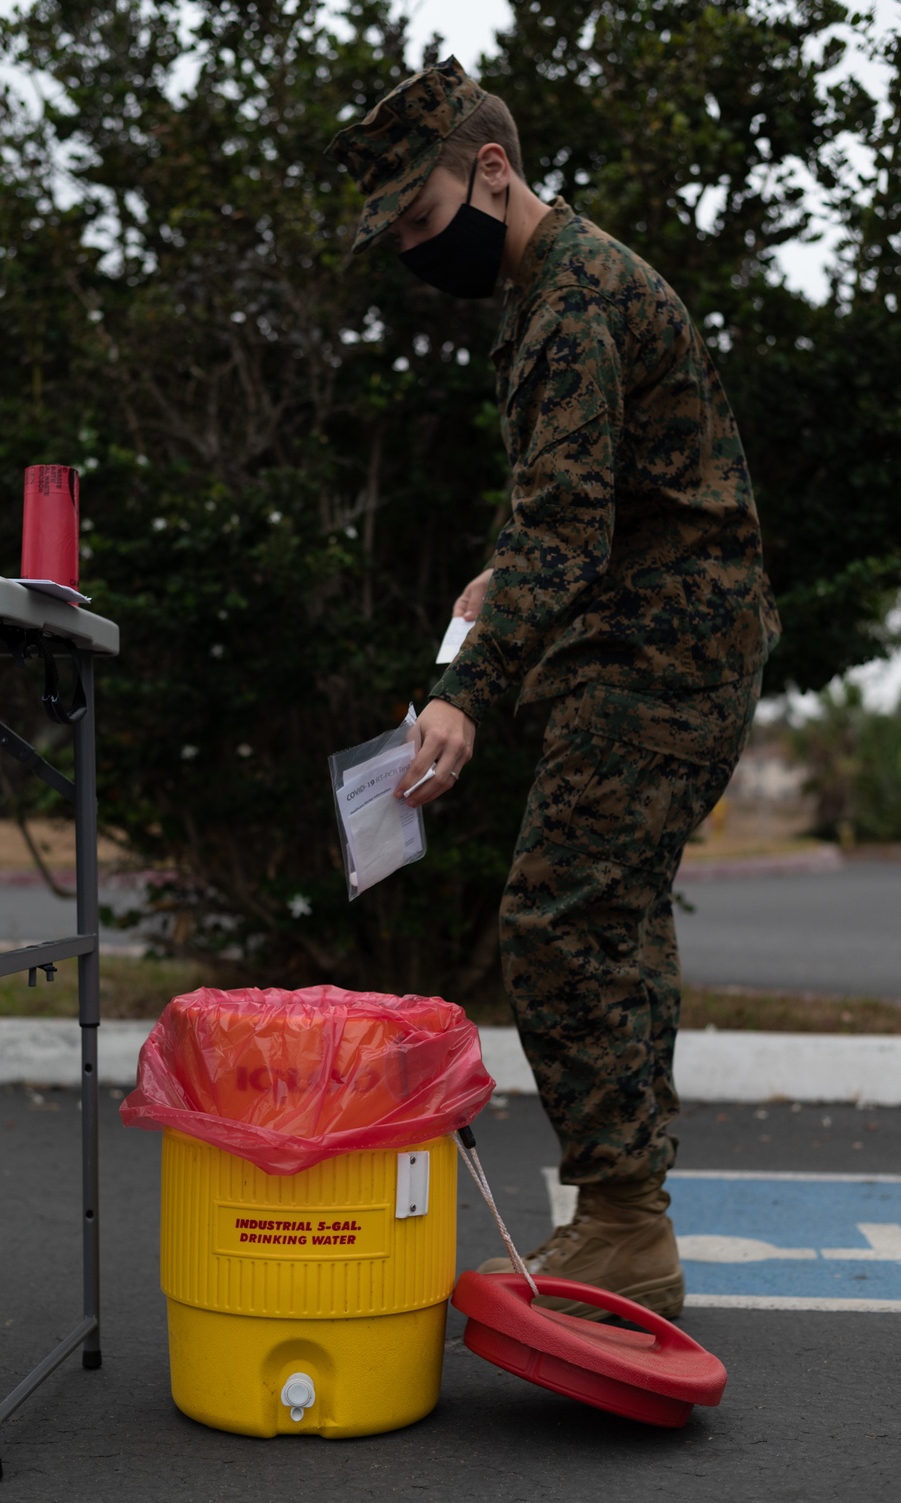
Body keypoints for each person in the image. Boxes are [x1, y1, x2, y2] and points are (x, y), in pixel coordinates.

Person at [327, 58, 780, 1319]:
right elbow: (559, 501)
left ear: (490, 171)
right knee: (613, 914)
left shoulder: (571, 297)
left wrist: (463, 691)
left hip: (662, 641)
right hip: (650, 633)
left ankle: (624, 1214)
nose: (419, 253)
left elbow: (570, 528)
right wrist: (500, 566)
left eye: (421, 221)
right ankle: (627, 1213)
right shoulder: (549, 292)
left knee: (555, 910)